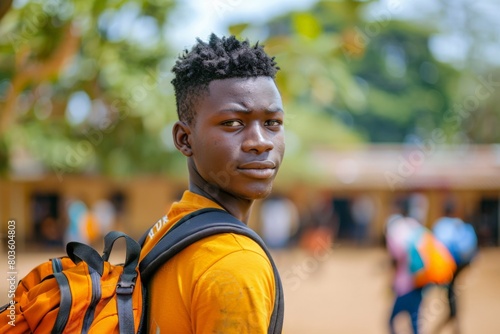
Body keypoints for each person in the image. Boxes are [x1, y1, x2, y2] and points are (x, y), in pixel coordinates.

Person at [139, 33, 285, 333]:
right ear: (185, 139)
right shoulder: (236, 261)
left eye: (272, 123)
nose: (260, 142)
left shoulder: (167, 228)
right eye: (233, 123)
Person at [432, 201, 478, 333]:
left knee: (450, 293)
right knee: (452, 293)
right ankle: (454, 324)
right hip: (462, 264)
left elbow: (436, 248)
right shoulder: (460, 224)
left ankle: (451, 323)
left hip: (447, 266)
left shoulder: (440, 225)